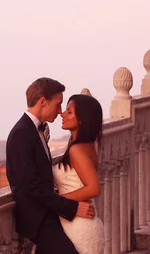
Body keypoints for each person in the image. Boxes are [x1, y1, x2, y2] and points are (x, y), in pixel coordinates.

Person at [6, 77, 96, 254]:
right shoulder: (21, 134)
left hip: (49, 215)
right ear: (42, 101)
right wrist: (73, 207)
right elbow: (30, 187)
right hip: (39, 220)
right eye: (58, 104)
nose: (60, 111)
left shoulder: (35, 130)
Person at [53, 94, 105, 254]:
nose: (62, 114)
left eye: (69, 112)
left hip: (78, 226)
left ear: (82, 119)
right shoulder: (87, 146)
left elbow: (93, 189)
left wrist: (56, 201)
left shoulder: (77, 150)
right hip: (78, 223)